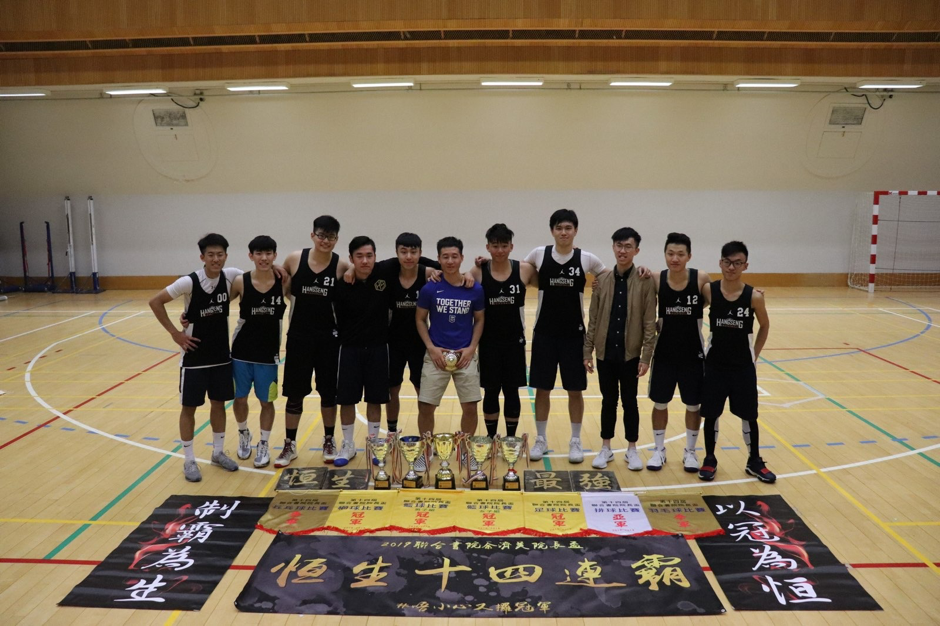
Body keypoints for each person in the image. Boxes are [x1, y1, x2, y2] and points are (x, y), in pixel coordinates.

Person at [149, 233, 241, 482]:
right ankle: (189, 459)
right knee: (188, 408)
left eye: (220, 254)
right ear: (202, 257)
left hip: (221, 356)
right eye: (210, 255)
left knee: (219, 404)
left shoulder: (231, 276)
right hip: (194, 358)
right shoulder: (189, 282)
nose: (216, 259)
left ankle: (218, 453)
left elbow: (257, 279)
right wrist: (175, 333)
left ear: (226, 256)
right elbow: (155, 302)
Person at [524, 209, 608, 463]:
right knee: (542, 390)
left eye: (568, 228)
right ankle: (541, 438)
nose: (563, 232)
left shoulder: (586, 258)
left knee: (575, 390)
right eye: (559, 228)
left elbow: (607, 276)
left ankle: (575, 440)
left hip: (574, 336)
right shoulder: (539, 254)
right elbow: (521, 272)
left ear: (575, 230)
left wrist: (599, 283)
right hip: (544, 334)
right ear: (552, 230)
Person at [698, 241, 775, 483]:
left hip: (742, 367)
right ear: (720, 263)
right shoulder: (709, 290)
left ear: (745, 265)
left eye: (737, 263)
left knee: (749, 415)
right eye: (728, 262)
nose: (732, 267)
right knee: (711, 414)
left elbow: (765, 325)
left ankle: (754, 461)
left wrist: (755, 354)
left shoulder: (754, 296)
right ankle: (709, 459)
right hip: (715, 365)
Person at [279, 215, 351, 467]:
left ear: (337, 239)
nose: (325, 241)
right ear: (313, 235)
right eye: (321, 235)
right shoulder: (294, 259)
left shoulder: (341, 266)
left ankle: (329, 439)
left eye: (330, 237)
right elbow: (281, 283)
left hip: (329, 339)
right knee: (294, 393)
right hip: (299, 337)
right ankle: (289, 444)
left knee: (328, 393)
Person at [583, 227, 657, 470]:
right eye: (619, 246)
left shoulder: (645, 281)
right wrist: (587, 351)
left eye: (628, 247)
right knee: (608, 401)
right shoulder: (602, 281)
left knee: (630, 402)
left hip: (631, 354)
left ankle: (632, 449)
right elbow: (593, 319)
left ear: (636, 250)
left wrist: (646, 357)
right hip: (605, 353)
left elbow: (649, 322)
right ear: (613, 247)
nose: (622, 251)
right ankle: (606, 448)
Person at [415, 236, 485, 468]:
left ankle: (465, 450)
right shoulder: (430, 288)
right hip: (436, 355)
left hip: (465, 355)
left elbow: (479, 319)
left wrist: (472, 348)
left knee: (470, 406)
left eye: (454, 256)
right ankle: (426, 450)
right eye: (445, 257)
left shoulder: (474, 289)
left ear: (462, 258)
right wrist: (431, 348)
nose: (450, 261)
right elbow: (420, 319)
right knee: (426, 406)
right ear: (439, 259)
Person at [646, 232, 711, 472]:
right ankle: (659, 450)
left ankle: (690, 452)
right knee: (660, 403)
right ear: (665, 254)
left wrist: (752, 294)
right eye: (670, 253)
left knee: (693, 405)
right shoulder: (656, 278)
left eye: (680, 254)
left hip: (693, 355)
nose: (675, 258)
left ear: (689, 256)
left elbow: (720, 297)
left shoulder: (700, 278)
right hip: (664, 353)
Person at [470, 224, 537, 438]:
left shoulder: (524, 270)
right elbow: (455, 281)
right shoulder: (478, 272)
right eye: (495, 246)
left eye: (504, 246)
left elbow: (550, 280)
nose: (500, 250)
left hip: (514, 342)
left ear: (511, 247)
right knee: (491, 391)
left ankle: (510, 440)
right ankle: (491, 438)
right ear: (488, 247)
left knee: (511, 390)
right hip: (488, 342)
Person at [332, 236, 394, 466]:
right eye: (359, 256)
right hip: (349, 349)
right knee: (347, 400)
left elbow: (419, 260)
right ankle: (348, 444)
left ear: (375, 256)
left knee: (375, 399)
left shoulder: (385, 275)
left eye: (369, 255)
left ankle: (374, 443)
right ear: (351, 258)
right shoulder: (342, 285)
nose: (365, 260)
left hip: (378, 348)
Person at [229, 235, 289, 468]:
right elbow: (217, 303)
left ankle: (264, 443)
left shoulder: (284, 282)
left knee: (266, 402)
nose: (264, 258)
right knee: (240, 398)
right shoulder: (240, 282)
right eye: (259, 253)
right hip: (241, 352)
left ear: (275, 255)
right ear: (250, 256)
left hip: (268, 355)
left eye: (268, 253)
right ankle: (244, 433)